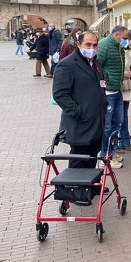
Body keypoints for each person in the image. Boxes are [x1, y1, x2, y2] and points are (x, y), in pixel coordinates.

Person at [52, 32, 106, 169]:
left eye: (94, 45)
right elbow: (60, 94)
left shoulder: (96, 63)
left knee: (92, 159)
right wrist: (79, 112)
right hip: (80, 126)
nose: (91, 48)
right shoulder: (67, 65)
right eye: (88, 45)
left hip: (96, 125)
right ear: (78, 44)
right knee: (78, 162)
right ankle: (77, 190)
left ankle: (91, 187)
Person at [96, 26, 129, 168]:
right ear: (117, 35)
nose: (126, 41)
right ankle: (104, 156)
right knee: (107, 126)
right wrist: (106, 82)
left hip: (117, 90)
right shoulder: (104, 46)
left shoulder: (118, 46)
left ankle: (112, 151)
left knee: (119, 121)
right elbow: (97, 67)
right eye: (125, 38)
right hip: (108, 92)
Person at [119, 39, 131, 152]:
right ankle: (117, 143)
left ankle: (126, 142)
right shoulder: (111, 52)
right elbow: (107, 70)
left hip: (126, 88)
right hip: (115, 88)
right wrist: (123, 73)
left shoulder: (128, 52)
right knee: (117, 117)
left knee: (124, 116)